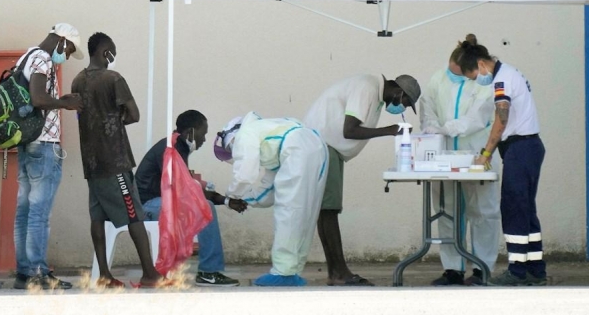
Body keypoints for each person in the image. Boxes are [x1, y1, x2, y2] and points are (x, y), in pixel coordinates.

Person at [304, 74, 420, 286]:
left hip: (325, 147)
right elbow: (349, 130)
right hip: (324, 147)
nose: (401, 108)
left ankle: (335, 272)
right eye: (405, 103)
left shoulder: (373, 91)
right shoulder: (367, 88)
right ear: (399, 92)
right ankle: (341, 273)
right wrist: (390, 131)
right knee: (329, 211)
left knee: (326, 211)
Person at [72, 32, 164, 288]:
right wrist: (117, 116)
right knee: (134, 216)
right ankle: (149, 274)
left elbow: (81, 117)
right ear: (105, 53)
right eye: (112, 52)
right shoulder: (113, 78)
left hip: (91, 163)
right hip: (115, 161)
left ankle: (103, 274)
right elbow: (133, 114)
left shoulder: (77, 81)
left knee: (98, 217)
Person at [454, 34, 546, 286]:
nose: (478, 81)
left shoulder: (502, 80)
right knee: (526, 209)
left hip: (520, 148)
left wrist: (486, 153)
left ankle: (517, 271)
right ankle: (535, 269)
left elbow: (501, 119)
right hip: (528, 147)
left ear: (482, 65)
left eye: (474, 76)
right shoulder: (511, 71)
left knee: (514, 208)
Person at [214, 111, 328, 287]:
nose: (233, 153)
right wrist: (245, 199)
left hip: (297, 150)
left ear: (231, 138)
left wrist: (231, 195)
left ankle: (283, 272)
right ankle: (293, 270)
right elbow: (267, 191)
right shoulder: (269, 135)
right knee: (306, 213)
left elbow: (244, 175)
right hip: (316, 147)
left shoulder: (245, 134)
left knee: (289, 211)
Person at [420, 39, 501, 286]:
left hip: (477, 154)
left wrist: (446, 129)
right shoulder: (438, 79)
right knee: (447, 212)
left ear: (470, 70)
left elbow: (476, 118)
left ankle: (481, 269)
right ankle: (452, 269)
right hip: (443, 157)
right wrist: (433, 130)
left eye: (458, 74)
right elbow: (427, 108)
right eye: (451, 71)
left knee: (483, 212)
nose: (453, 76)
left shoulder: (484, 84)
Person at [135, 110, 245, 287]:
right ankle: (209, 272)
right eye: (203, 134)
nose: (204, 140)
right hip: (147, 206)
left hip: (158, 202)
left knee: (206, 206)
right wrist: (221, 200)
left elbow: (188, 190)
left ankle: (208, 270)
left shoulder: (178, 147)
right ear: (191, 132)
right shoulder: (170, 150)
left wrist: (225, 201)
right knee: (205, 207)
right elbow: (185, 192)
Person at [12, 23, 83, 291]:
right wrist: (64, 102)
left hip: (27, 141)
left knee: (24, 210)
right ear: (62, 42)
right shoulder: (42, 58)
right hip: (43, 144)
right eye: (70, 50)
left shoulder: (27, 56)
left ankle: (23, 273)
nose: (66, 56)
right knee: (39, 212)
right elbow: (39, 99)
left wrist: (58, 99)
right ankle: (39, 274)